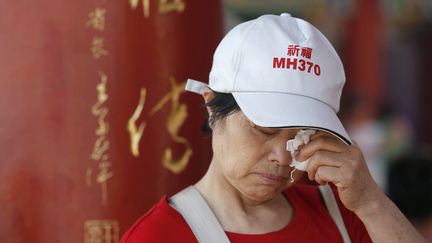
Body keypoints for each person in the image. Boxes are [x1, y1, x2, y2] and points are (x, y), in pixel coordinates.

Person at [120, 13, 427, 242]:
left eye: (301, 137)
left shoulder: (345, 212)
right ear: (212, 106)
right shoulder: (160, 235)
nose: (282, 157)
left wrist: (371, 201)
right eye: (264, 129)